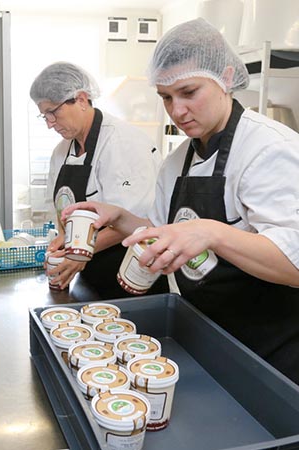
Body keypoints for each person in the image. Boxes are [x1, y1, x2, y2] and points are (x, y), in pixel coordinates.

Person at [63, 18, 299, 384]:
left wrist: (211, 232)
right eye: (166, 97)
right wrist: (119, 216)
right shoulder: (179, 160)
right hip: (207, 334)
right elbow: (160, 233)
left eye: (189, 92)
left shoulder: (268, 150)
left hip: (271, 351)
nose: (177, 111)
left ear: (226, 77)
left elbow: (294, 265)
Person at [29, 62, 166, 297]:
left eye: (53, 112)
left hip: (131, 275)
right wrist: (64, 241)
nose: (50, 123)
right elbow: (65, 211)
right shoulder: (61, 152)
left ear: (81, 99)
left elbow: (134, 222)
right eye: (44, 116)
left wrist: (78, 253)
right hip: (89, 277)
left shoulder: (124, 144)